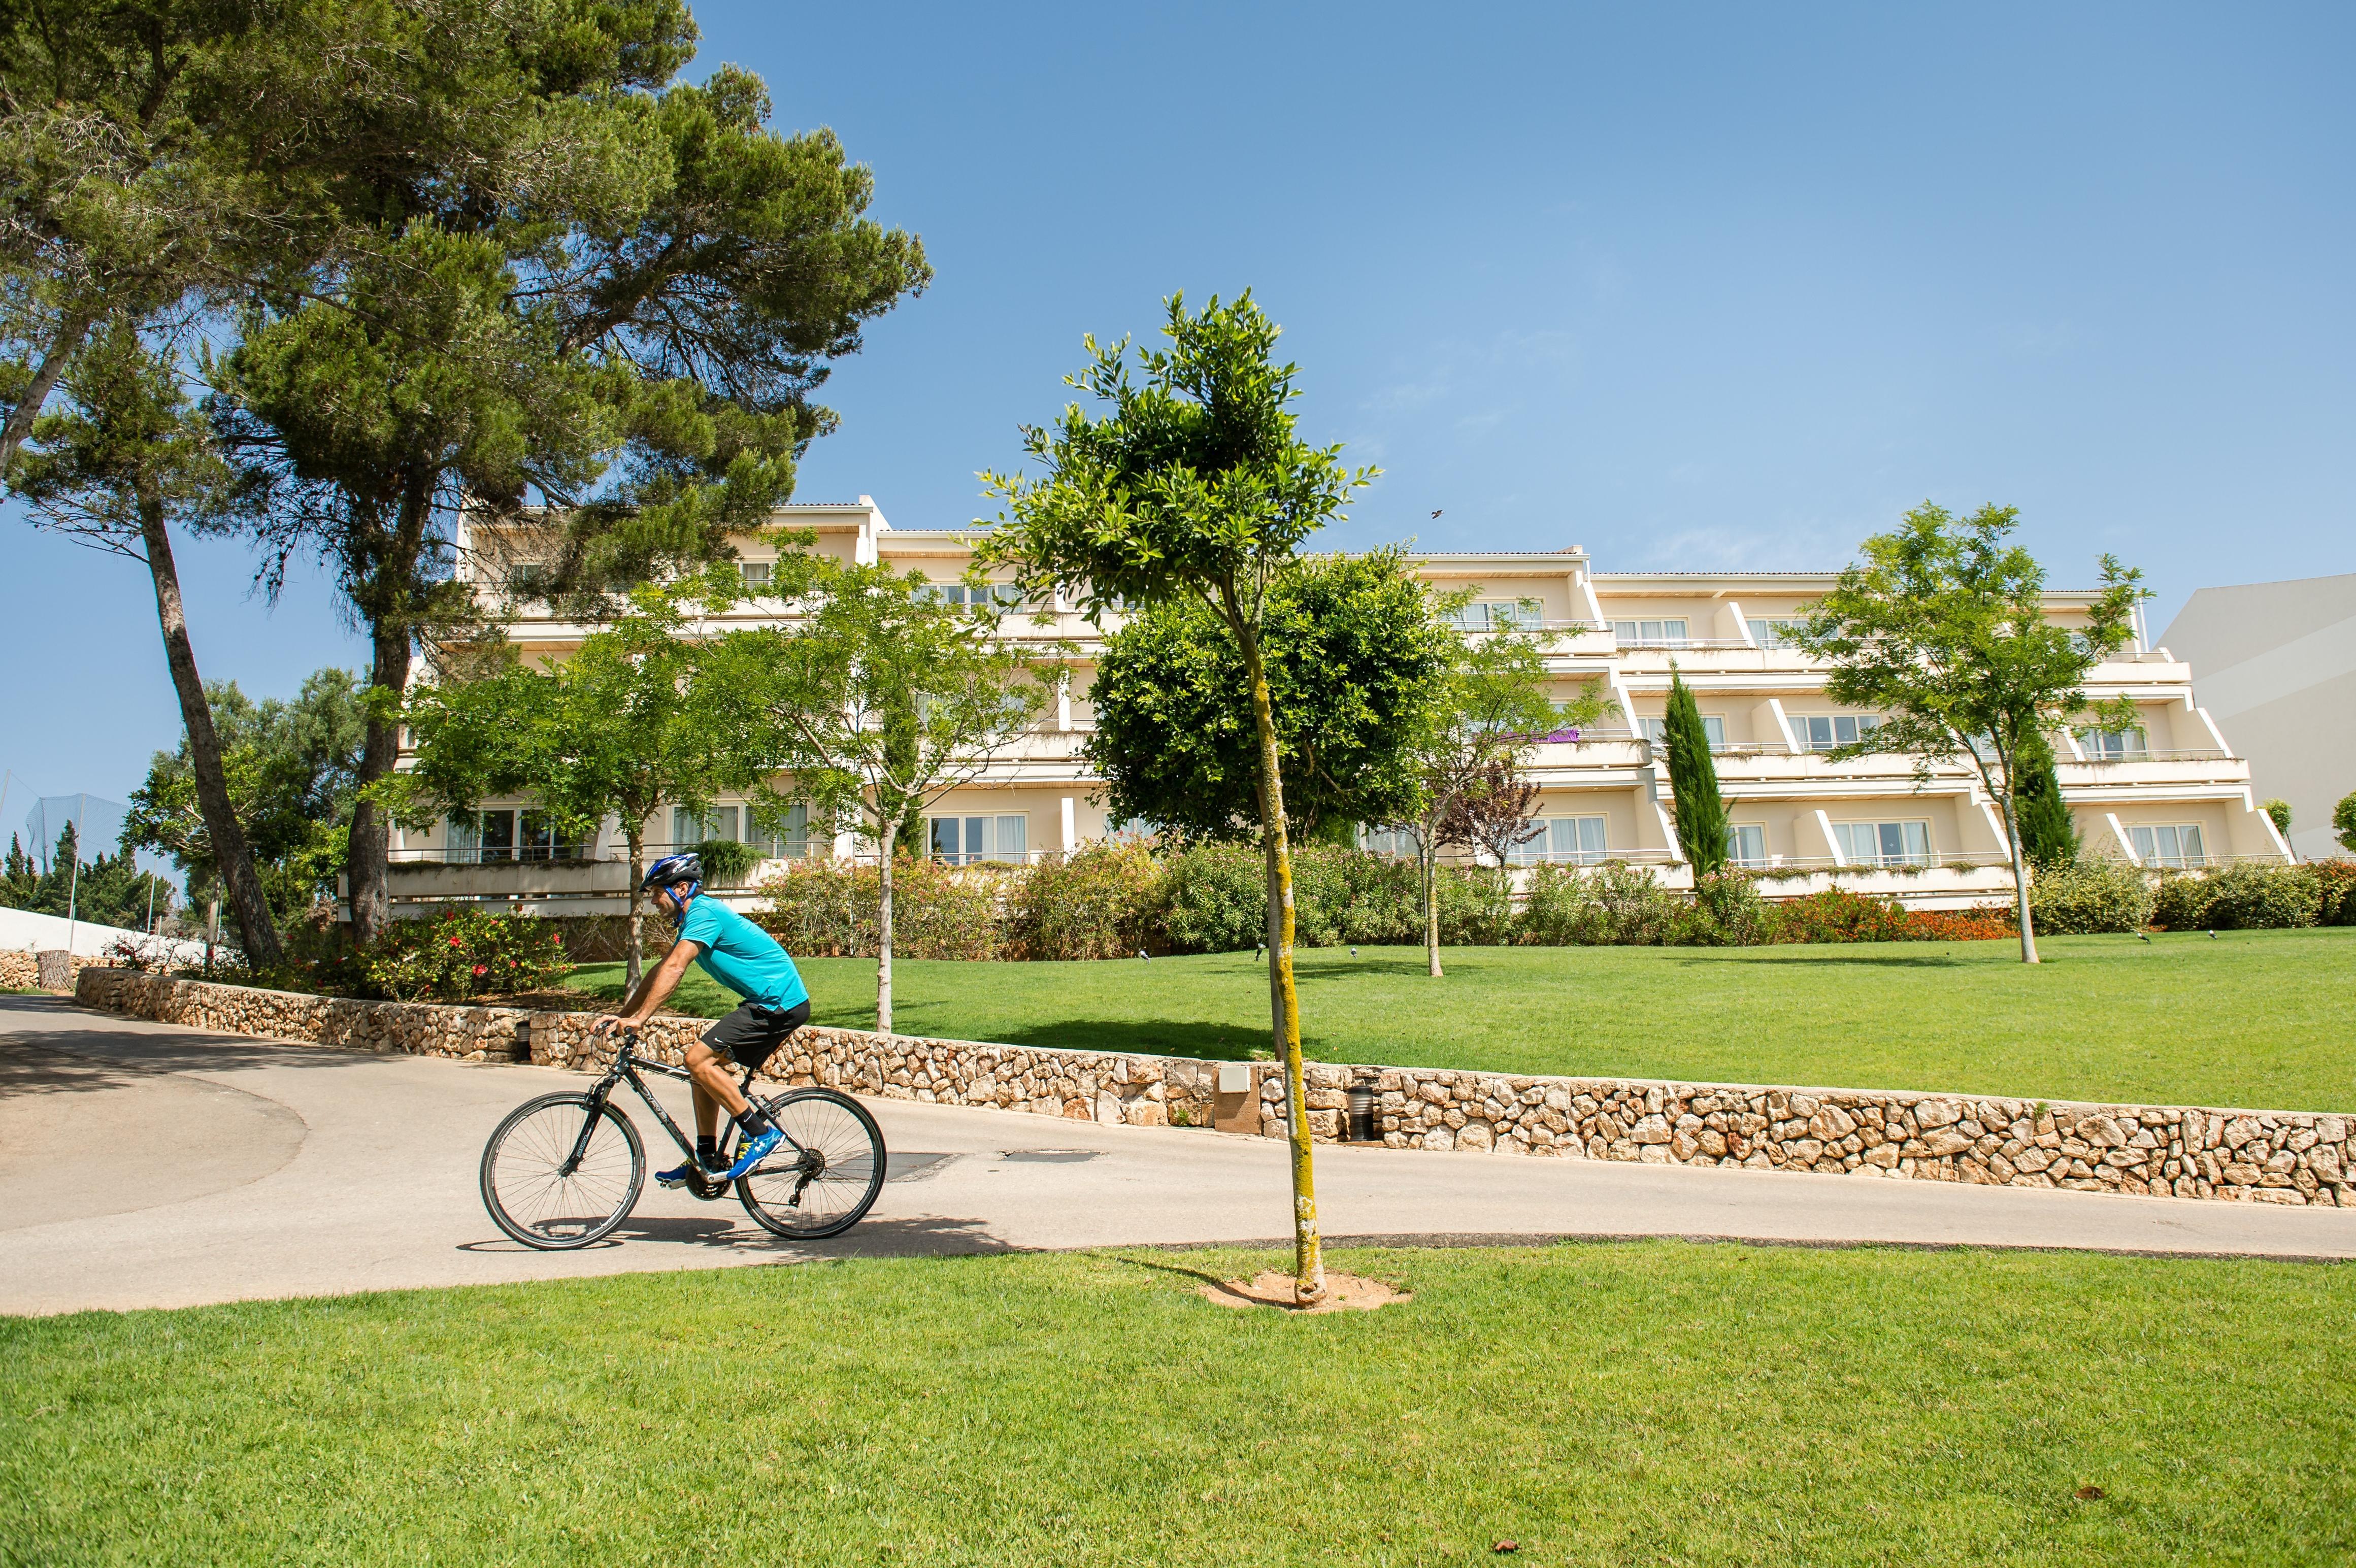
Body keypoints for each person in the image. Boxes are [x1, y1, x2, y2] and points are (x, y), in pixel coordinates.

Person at [593, 853, 812, 1186]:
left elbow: (676, 968)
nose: (653, 899)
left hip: (779, 1002)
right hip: (766, 1001)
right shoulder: (692, 919)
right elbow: (658, 971)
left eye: (657, 891)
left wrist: (640, 1019)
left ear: (682, 888)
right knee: (702, 1070)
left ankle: (761, 1134)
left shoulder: (704, 913)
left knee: (697, 1059)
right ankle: (706, 1158)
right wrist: (624, 1015)